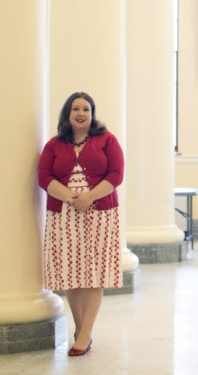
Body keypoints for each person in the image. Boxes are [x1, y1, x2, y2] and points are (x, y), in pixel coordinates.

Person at [37, 92, 124, 357]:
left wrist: (89, 197)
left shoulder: (107, 140)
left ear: (92, 113)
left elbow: (116, 174)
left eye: (86, 109)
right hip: (63, 214)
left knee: (93, 274)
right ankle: (80, 329)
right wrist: (70, 197)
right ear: (67, 113)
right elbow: (44, 175)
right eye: (75, 108)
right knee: (72, 275)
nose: (81, 113)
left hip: (100, 212)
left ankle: (85, 335)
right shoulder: (53, 144)